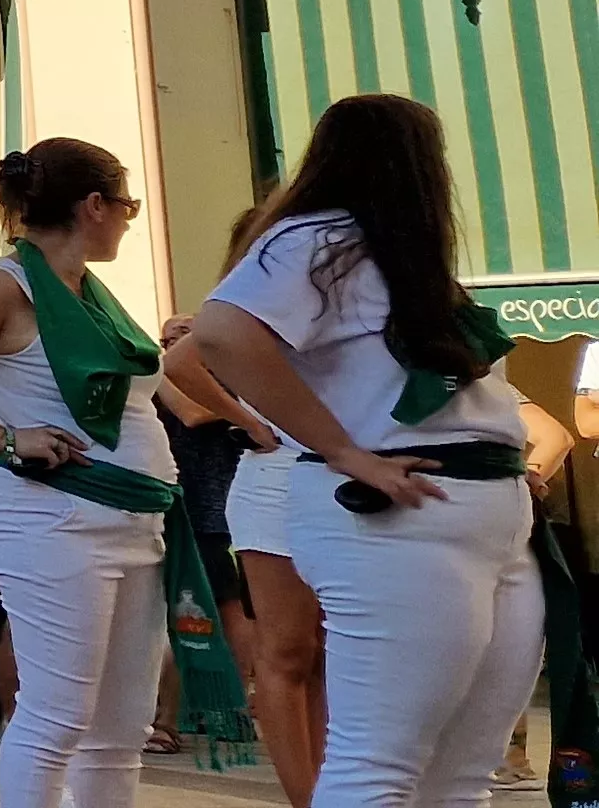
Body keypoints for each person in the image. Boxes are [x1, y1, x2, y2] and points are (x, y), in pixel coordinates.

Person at [195, 95, 566, 808]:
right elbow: (218, 333)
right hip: (399, 517)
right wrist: (341, 449)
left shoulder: (386, 251)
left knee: (461, 771)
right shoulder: (317, 239)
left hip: (479, 514)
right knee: (378, 764)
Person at [0, 139, 246, 808]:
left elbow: (163, 394)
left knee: (120, 725)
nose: (127, 219)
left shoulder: (91, 293)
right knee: (57, 715)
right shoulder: (8, 284)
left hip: (137, 519)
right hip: (57, 517)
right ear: (93, 206)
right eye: (127, 205)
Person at [161, 208, 326, 808]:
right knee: (289, 651)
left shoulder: (313, 294)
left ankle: (333, 785)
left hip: (320, 475)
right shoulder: (247, 301)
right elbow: (178, 366)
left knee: (324, 651)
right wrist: (252, 421)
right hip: (277, 477)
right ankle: (309, 797)